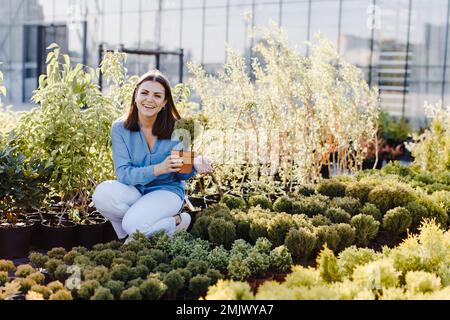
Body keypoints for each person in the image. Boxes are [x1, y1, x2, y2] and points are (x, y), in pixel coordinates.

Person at [92, 70, 213, 242]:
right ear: (135, 96)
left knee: (133, 223)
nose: (149, 99)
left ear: (164, 102)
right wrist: (158, 168)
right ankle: (141, 231)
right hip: (135, 189)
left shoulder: (179, 128)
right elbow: (124, 174)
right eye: (144, 93)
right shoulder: (119, 128)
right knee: (101, 194)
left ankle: (161, 225)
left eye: (157, 95)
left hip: (166, 191)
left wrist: (194, 162)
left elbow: (182, 174)